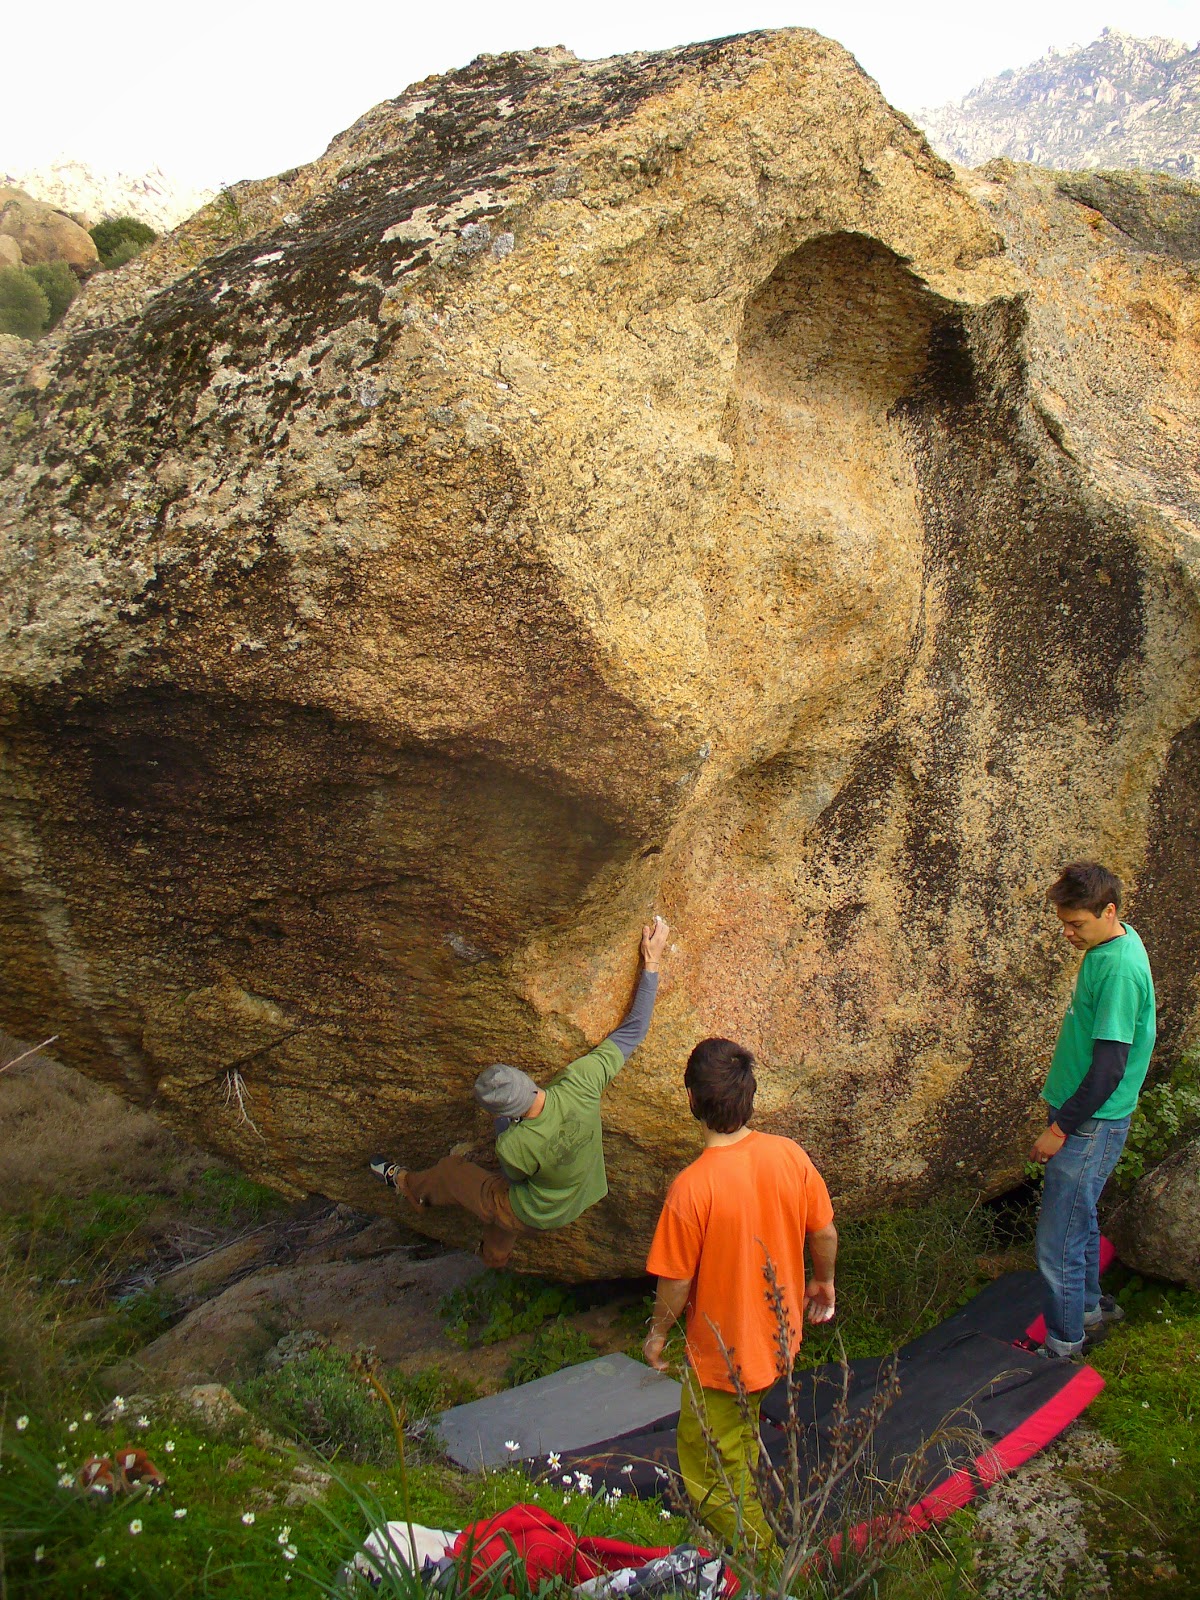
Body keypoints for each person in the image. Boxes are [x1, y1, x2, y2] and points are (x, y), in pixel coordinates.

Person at [370, 916, 670, 1268]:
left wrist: (502, 1127)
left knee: (466, 1180)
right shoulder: (583, 1083)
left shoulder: (512, 1145)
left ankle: (408, 1186)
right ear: (528, 1080)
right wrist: (652, 961)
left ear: (500, 1114)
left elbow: (513, 1179)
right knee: (504, 1207)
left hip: (534, 1209)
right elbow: (633, 1032)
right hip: (587, 1192)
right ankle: (495, 1258)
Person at [642, 1037, 837, 1554]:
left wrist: (657, 1334)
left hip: (725, 1357)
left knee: (709, 1463)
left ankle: (763, 1561)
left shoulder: (692, 1187)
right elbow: (824, 1231)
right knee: (741, 1433)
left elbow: (677, 1281)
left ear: (691, 1101)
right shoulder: (788, 1155)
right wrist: (823, 1280)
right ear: (751, 1098)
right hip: (781, 1336)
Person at [1032, 861, 1156, 1357]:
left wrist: (1061, 1128)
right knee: (1077, 1220)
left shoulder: (1121, 969)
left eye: (1076, 924)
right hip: (1084, 1116)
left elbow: (1109, 1069)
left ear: (1109, 911)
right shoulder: (1111, 943)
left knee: (1055, 1243)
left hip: (1088, 1123)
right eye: (1063, 922)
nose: (1067, 933)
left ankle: (1062, 1348)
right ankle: (1088, 1311)